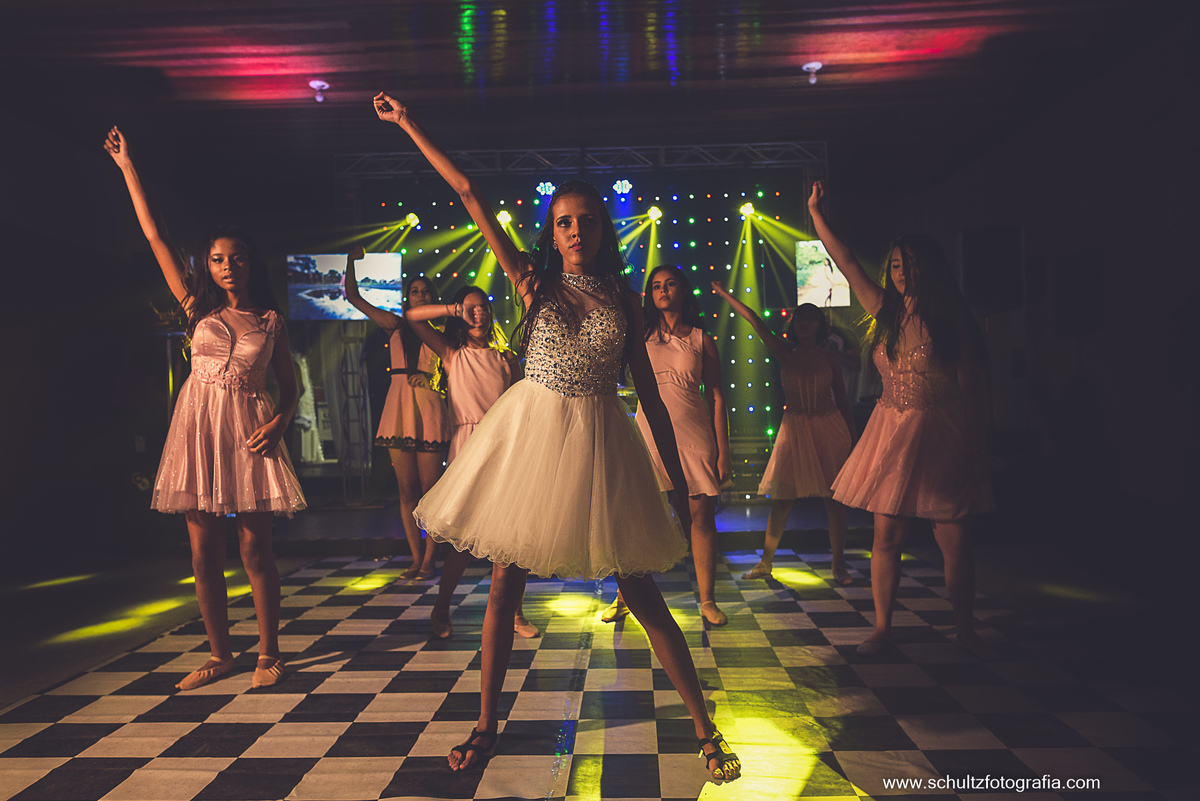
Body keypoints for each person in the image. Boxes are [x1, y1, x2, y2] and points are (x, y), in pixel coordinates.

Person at [374, 92, 740, 781]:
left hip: (601, 441)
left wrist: (675, 479)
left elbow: (650, 396)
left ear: (603, 228)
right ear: (552, 231)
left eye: (587, 220)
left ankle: (703, 725)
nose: (575, 231)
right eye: (564, 222)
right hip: (532, 435)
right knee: (504, 579)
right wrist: (407, 123)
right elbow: (470, 192)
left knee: (640, 588)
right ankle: (486, 724)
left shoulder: (626, 300)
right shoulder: (531, 280)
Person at [104, 126, 306, 690]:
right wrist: (127, 167)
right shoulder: (196, 309)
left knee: (255, 549)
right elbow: (155, 237)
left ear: (250, 263)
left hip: (250, 433)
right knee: (201, 553)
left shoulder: (270, 321)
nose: (227, 265)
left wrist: (281, 421)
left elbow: (291, 388)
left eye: (236, 258)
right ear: (208, 265)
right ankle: (220, 655)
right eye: (218, 259)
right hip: (198, 433)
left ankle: (268, 653)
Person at [807, 180, 995, 659]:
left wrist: (979, 450)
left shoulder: (952, 320)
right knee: (886, 535)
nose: (902, 272)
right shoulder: (885, 312)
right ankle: (883, 627)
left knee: (954, 537)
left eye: (910, 264)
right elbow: (846, 261)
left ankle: (965, 630)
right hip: (891, 431)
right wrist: (817, 214)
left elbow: (974, 390)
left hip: (940, 431)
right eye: (895, 264)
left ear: (928, 267)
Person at [396, 283, 539, 640]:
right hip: (468, 448)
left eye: (483, 308)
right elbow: (412, 317)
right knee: (462, 541)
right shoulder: (451, 354)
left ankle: (516, 613)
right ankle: (442, 607)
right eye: (469, 309)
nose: (478, 314)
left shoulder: (505, 358)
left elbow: (523, 405)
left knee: (511, 538)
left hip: (505, 447)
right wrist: (452, 309)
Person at [601, 265, 732, 627]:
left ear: (683, 290)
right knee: (636, 519)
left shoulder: (702, 339)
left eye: (670, 284)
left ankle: (707, 600)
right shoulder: (640, 336)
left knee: (701, 517)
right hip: (648, 435)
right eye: (656, 285)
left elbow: (717, 395)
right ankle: (624, 598)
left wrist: (724, 451)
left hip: (695, 435)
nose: (663, 290)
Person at [712, 289, 856, 585]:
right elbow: (756, 322)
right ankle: (766, 562)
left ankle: (838, 564)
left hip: (828, 428)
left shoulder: (830, 357)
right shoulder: (785, 352)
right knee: (782, 500)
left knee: (834, 501)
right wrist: (726, 295)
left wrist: (856, 441)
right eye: (799, 317)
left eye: (810, 318)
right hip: (795, 431)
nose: (804, 322)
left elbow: (842, 399)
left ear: (820, 324)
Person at [344, 250, 448, 579]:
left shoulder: (444, 329)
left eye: (425, 291)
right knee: (406, 491)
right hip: (399, 406)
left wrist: (434, 381)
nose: (420, 295)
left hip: (429, 404)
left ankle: (430, 558)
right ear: (407, 297)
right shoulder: (396, 325)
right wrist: (350, 262)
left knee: (431, 492)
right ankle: (416, 558)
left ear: (434, 297)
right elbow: (354, 298)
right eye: (415, 291)